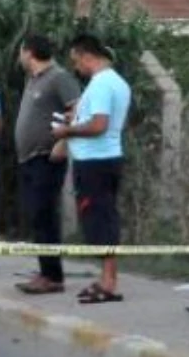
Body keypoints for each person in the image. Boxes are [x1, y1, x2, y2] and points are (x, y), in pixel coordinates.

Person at [53, 34, 131, 304]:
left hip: (96, 163)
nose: (76, 68)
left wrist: (68, 129)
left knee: (99, 220)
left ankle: (108, 282)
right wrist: (75, 119)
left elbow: (99, 125)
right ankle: (105, 278)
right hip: (104, 160)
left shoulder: (100, 85)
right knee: (102, 218)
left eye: (77, 61)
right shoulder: (115, 82)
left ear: (87, 56)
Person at [14, 34, 80, 295]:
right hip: (29, 158)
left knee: (45, 215)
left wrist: (63, 144)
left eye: (21, 51)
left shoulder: (59, 77)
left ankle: (53, 276)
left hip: (46, 157)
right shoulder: (34, 80)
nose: (19, 57)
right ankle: (45, 270)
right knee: (37, 216)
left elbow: (78, 109)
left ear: (29, 52)